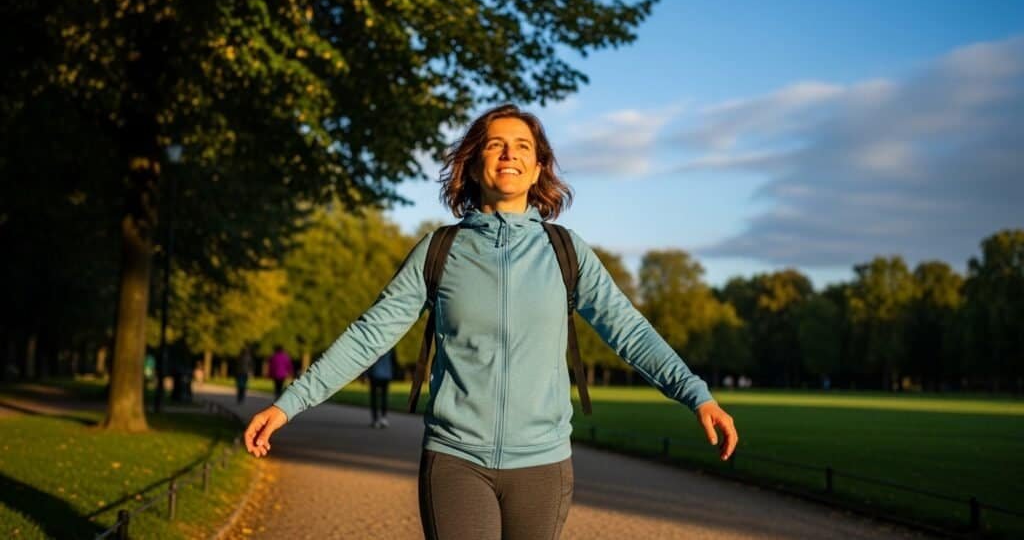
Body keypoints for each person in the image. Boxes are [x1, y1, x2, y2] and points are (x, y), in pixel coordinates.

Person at [244, 104, 738, 539]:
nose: (509, 154)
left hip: (543, 466)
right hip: (455, 461)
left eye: (523, 146)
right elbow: (369, 334)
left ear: (538, 166)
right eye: (496, 145)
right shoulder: (440, 250)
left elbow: (628, 331)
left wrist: (696, 394)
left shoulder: (566, 252)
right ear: (474, 163)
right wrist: (289, 404)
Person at [367, 347, 397, 429]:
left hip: (375, 374)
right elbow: (394, 360)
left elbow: (369, 361)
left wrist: (366, 374)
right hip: (386, 374)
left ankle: (375, 420)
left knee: (374, 398)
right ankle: (383, 418)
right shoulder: (391, 346)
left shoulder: (374, 345)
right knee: (384, 397)